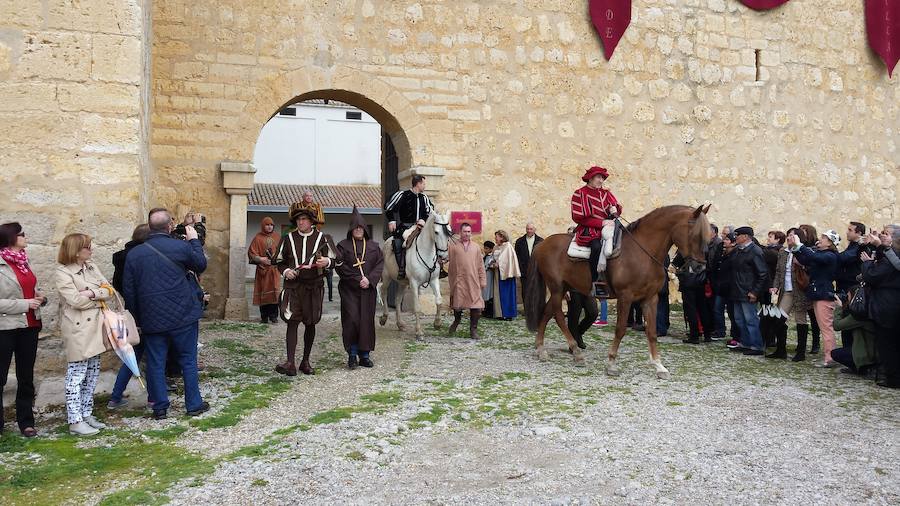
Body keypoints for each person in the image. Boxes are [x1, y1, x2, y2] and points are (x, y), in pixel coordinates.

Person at [123, 208, 209, 420]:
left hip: (152, 319)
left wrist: (137, 318)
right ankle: (193, 404)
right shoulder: (180, 247)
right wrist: (194, 240)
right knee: (188, 359)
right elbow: (201, 264)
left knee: (155, 362)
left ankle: (160, 407)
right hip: (183, 315)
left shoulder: (134, 255)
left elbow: (129, 290)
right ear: (169, 226)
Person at [54, 233, 113, 435]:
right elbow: (75, 301)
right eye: (87, 247)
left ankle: (86, 413)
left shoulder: (91, 267)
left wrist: (91, 293)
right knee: (76, 375)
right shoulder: (63, 273)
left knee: (92, 372)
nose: (91, 249)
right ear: (76, 250)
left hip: (97, 326)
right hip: (78, 329)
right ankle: (75, 420)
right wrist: (98, 296)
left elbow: (109, 290)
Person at [0, 223, 47, 437]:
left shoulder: (23, 262)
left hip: (30, 325)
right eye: (22, 234)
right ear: (11, 238)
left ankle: (26, 422)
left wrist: (39, 298)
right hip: (5, 327)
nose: (26, 237)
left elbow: (30, 289)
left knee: (26, 377)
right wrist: (25, 304)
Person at [275, 207, 332, 376]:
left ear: (311, 221)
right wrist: (286, 271)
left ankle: (305, 361)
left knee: (310, 322)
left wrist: (327, 262)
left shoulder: (323, 239)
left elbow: (337, 260)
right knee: (292, 321)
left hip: (314, 287)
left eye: (304, 219)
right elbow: (279, 261)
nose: (301, 222)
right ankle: (290, 362)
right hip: (293, 287)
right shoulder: (288, 238)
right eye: (298, 220)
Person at [335, 206, 384, 368]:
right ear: (351, 229)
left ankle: (365, 355)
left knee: (366, 321)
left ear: (364, 229)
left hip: (367, 291)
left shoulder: (374, 247)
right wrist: (358, 279)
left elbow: (379, 264)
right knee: (352, 320)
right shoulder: (342, 246)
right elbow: (340, 266)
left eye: (360, 227)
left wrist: (369, 280)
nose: (358, 229)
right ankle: (352, 354)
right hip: (349, 290)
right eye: (355, 227)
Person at [108, 223, 150, 409]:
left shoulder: (122, 257)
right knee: (153, 354)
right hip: (145, 311)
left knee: (132, 354)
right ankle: (155, 398)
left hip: (131, 310)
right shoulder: (142, 256)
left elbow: (118, 284)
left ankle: (116, 396)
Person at [789, 229, 841, 367]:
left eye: (824, 238)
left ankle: (830, 358)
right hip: (818, 293)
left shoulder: (830, 256)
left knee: (826, 328)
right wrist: (795, 248)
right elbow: (805, 259)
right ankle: (829, 356)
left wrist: (801, 246)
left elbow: (813, 258)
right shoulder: (822, 254)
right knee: (824, 327)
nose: (820, 239)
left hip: (824, 294)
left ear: (830, 243)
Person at [571, 166, 622, 297]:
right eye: (599, 177)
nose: (601, 181)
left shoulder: (606, 193)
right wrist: (601, 222)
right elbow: (578, 217)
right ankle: (593, 280)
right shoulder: (580, 193)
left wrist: (615, 210)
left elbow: (616, 208)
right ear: (591, 178)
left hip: (609, 226)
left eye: (602, 178)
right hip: (589, 230)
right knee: (596, 246)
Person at [860, 225, 900, 388]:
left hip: (888, 303)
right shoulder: (889, 255)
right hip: (889, 302)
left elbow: (872, 276)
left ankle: (892, 378)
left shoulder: (893, 257)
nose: (883, 236)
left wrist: (868, 264)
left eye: (886, 234)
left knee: (887, 343)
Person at [769, 227, 813, 361]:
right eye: (788, 235)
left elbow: (812, 268)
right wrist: (775, 286)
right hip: (786, 290)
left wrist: (802, 264)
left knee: (800, 320)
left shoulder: (805, 251)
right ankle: (781, 350)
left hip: (800, 290)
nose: (789, 238)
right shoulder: (782, 251)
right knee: (779, 318)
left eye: (792, 236)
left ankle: (801, 352)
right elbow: (778, 271)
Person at [385, 175, 433, 279]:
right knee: (398, 244)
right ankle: (401, 269)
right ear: (418, 184)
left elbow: (430, 211)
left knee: (434, 239)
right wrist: (391, 220)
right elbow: (389, 207)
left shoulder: (424, 197)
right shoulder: (402, 194)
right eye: (424, 184)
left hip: (420, 228)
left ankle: (437, 268)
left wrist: (423, 220)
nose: (425, 186)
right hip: (405, 227)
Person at [729, 227, 767, 355]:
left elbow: (762, 274)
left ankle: (756, 345)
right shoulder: (738, 251)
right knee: (740, 320)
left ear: (745, 236)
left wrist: (755, 292)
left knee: (751, 320)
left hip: (748, 291)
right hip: (737, 291)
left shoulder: (755, 251)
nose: (736, 238)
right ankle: (745, 343)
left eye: (738, 235)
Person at [447, 223, 487, 339]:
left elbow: (480, 265)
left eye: (469, 232)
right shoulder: (453, 246)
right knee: (457, 305)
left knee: (476, 306)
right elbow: (445, 258)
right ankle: (456, 321)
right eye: (465, 231)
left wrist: (482, 280)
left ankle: (473, 330)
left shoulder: (476, 247)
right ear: (460, 232)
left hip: (473, 281)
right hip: (458, 281)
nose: (467, 234)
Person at [830, 289, 878, 375]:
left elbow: (837, 325)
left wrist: (839, 308)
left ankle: (863, 368)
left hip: (868, 353)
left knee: (835, 354)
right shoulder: (869, 309)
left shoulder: (859, 315)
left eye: (847, 297)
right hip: (874, 350)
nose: (846, 299)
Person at [248, 217, 282, 324]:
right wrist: (261, 259)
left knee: (275, 293)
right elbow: (251, 253)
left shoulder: (277, 237)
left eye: (271, 225)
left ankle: (274, 316)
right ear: (263, 226)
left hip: (274, 270)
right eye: (267, 225)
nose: (269, 227)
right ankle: (264, 317)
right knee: (263, 292)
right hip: (263, 271)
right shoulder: (258, 238)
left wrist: (277, 260)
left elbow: (282, 251)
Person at [674, 251, 712, 343]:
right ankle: (707, 335)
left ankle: (694, 335)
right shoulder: (703, 249)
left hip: (688, 282)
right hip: (700, 281)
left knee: (691, 310)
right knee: (703, 309)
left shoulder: (685, 249)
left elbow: (676, 263)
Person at [759, 231, 786, 351]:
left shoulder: (774, 252)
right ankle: (768, 338)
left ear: (778, 239)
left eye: (771, 237)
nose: (768, 239)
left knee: (769, 313)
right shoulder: (773, 251)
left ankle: (769, 338)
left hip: (772, 287)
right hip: (769, 286)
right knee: (766, 312)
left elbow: (763, 253)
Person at [489, 230, 521, 320]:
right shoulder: (495, 247)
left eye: (497, 236)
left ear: (502, 237)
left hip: (506, 273)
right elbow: (492, 257)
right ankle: (499, 313)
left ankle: (508, 313)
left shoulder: (508, 246)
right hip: (497, 273)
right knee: (498, 293)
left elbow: (507, 259)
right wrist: (492, 263)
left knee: (506, 293)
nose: (495, 238)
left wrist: (498, 263)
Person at [514, 223, 543, 300]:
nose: (529, 231)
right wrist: (520, 269)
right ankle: (527, 309)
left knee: (537, 291)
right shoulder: (519, 241)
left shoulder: (541, 241)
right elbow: (517, 257)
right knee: (525, 291)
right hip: (524, 271)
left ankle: (537, 310)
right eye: (527, 229)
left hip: (537, 271)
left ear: (534, 230)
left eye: (531, 229)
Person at [482, 241, 496, 318]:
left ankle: (489, 312)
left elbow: (489, 265)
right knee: (484, 293)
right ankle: (484, 310)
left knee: (489, 294)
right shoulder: (485, 256)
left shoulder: (492, 257)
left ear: (491, 249)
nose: (485, 250)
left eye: (487, 248)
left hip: (489, 276)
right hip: (485, 277)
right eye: (484, 248)